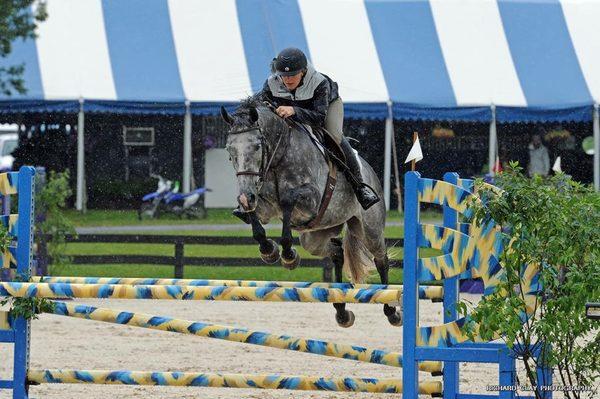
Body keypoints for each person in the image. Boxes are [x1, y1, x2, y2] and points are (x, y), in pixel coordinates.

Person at [253, 47, 379, 210]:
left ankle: (360, 187)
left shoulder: (319, 82)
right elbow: (261, 105)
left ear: (303, 71)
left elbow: (319, 117)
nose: (288, 80)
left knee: (334, 137)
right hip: (292, 109)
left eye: (292, 75)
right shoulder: (271, 83)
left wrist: (294, 110)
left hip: (325, 108)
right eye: (284, 75)